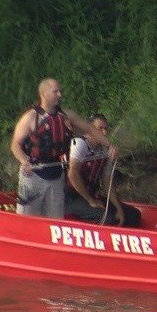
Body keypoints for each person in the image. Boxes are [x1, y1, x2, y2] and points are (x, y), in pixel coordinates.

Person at [10, 78, 115, 218]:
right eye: (55, 91)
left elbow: (89, 128)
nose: (60, 94)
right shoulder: (31, 118)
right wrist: (24, 161)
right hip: (34, 175)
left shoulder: (66, 115)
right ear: (44, 93)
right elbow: (15, 145)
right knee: (28, 218)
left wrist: (109, 145)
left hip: (56, 175)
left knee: (55, 218)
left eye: (59, 91)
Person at [64, 113, 141, 227]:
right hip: (72, 199)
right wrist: (91, 200)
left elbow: (107, 182)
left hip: (91, 195)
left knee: (133, 214)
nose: (104, 133)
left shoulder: (105, 150)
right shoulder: (80, 144)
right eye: (100, 129)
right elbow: (73, 174)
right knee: (107, 218)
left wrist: (118, 207)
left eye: (106, 129)